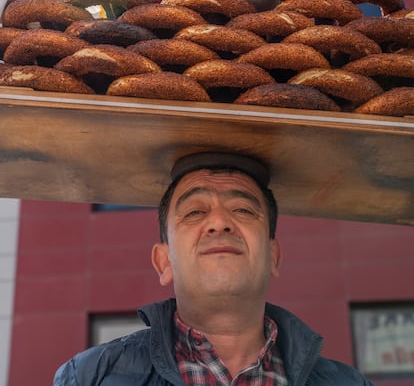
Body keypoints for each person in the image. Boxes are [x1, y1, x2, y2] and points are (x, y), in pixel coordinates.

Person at [54, 151, 374, 385]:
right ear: (164, 262)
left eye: (243, 209)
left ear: (273, 255)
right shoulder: (89, 377)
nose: (220, 222)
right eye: (194, 212)